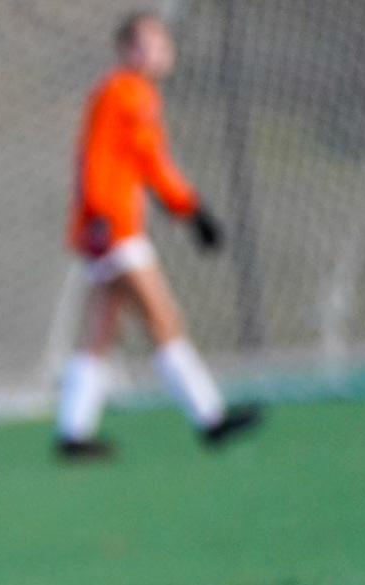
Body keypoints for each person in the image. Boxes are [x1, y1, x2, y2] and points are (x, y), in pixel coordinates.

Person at [55, 11, 263, 458]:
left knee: (102, 329)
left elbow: (131, 162)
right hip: (114, 229)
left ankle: (72, 432)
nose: (163, 51)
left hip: (105, 225)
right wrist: (191, 209)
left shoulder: (124, 93)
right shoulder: (127, 92)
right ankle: (210, 417)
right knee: (163, 318)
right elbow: (139, 161)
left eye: (164, 43)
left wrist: (185, 209)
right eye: (152, 43)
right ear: (130, 50)